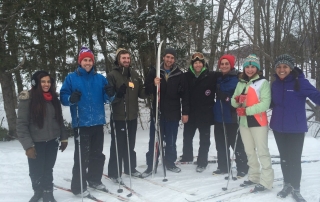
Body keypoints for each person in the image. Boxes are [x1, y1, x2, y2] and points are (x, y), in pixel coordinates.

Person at [60, 47, 115, 197]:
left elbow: (107, 98)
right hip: (81, 123)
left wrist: (111, 94)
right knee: (82, 156)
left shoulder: (100, 78)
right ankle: (78, 187)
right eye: (85, 60)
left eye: (90, 60)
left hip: (97, 122)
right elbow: (63, 97)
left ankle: (94, 180)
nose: (88, 62)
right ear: (80, 61)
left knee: (97, 154)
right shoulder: (71, 78)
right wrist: (71, 98)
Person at [270, 54, 320, 202]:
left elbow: (316, 96)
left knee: (295, 159)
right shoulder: (275, 84)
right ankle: (287, 184)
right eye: (278, 67)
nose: (281, 70)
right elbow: (271, 103)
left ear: (291, 68)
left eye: (285, 67)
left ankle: (296, 188)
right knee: (284, 158)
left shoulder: (301, 82)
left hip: (296, 128)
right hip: (278, 127)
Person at [17, 71, 68, 202]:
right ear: (36, 83)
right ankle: (38, 191)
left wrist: (63, 137)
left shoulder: (53, 98)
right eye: (43, 81)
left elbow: (59, 120)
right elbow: (22, 125)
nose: (46, 84)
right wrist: (28, 146)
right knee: (36, 170)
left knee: (48, 168)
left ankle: (47, 191)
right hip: (36, 142)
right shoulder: (28, 99)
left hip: (52, 141)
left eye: (48, 82)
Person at [142, 47, 189, 177]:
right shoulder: (155, 71)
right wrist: (153, 83)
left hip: (173, 113)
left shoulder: (179, 74)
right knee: (154, 140)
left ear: (174, 60)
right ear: (163, 57)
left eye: (172, 58)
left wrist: (185, 112)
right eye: (167, 57)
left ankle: (170, 162)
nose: (169, 60)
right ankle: (152, 165)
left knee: (171, 140)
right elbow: (146, 90)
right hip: (158, 112)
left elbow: (184, 95)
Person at [231, 54, 274, 192]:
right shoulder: (240, 83)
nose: (250, 70)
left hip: (258, 122)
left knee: (262, 151)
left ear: (257, 69)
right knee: (249, 151)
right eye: (247, 67)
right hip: (244, 123)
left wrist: (246, 111)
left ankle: (266, 181)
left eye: (252, 67)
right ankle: (254, 176)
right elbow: (233, 101)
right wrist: (237, 99)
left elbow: (265, 104)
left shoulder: (263, 82)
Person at [107, 48, 146, 182]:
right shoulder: (112, 75)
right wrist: (118, 94)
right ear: (118, 59)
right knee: (118, 145)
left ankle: (130, 168)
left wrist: (152, 86)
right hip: (119, 117)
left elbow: (142, 93)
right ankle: (114, 172)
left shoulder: (134, 74)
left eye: (128, 58)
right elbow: (109, 97)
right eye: (123, 58)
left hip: (132, 116)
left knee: (130, 144)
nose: (126, 60)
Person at [213, 54, 248, 177]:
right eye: (222, 64)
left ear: (231, 65)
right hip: (219, 115)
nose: (224, 66)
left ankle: (243, 167)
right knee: (221, 144)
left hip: (232, 116)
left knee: (236, 144)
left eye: (227, 64)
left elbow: (240, 98)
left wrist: (227, 98)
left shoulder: (238, 79)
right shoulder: (218, 78)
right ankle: (223, 166)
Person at [180, 52, 216, 172]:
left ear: (203, 63)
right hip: (190, 113)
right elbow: (184, 96)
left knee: (204, 139)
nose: (198, 65)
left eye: (200, 62)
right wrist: (184, 112)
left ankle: (202, 161)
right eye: (195, 63)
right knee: (187, 137)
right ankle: (187, 156)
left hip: (205, 114)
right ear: (192, 64)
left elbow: (226, 77)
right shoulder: (186, 77)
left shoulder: (210, 76)